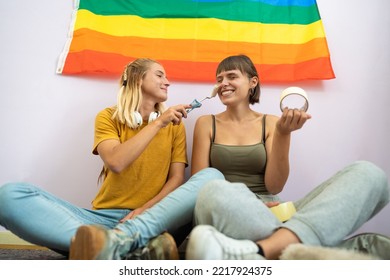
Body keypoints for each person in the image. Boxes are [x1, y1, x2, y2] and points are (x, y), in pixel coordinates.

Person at [0, 58, 224, 260]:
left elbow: (176, 179)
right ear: (138, 79)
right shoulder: (108, 117)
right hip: (104, 219)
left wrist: (144, 211)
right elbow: (116, 162)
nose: (168, 82)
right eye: (159, 75)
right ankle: (123, 246)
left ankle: (112, 244)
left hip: (156, 216)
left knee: (211, 176)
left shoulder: (175, 127)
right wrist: (158, 123)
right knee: (9, 196)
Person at [185, 54, 390, 260]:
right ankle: (292, 247)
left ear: (252, 82)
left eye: (231, 76)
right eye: (219, 79)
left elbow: (274, 186)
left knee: (369, 173)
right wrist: (248, 203)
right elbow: (199, 186)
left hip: (273, 213)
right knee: (213, 191)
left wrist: (284, 134)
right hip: (230, 210)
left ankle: (260, 252)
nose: (223, 84)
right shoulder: (205, 123)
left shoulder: (272, 123)